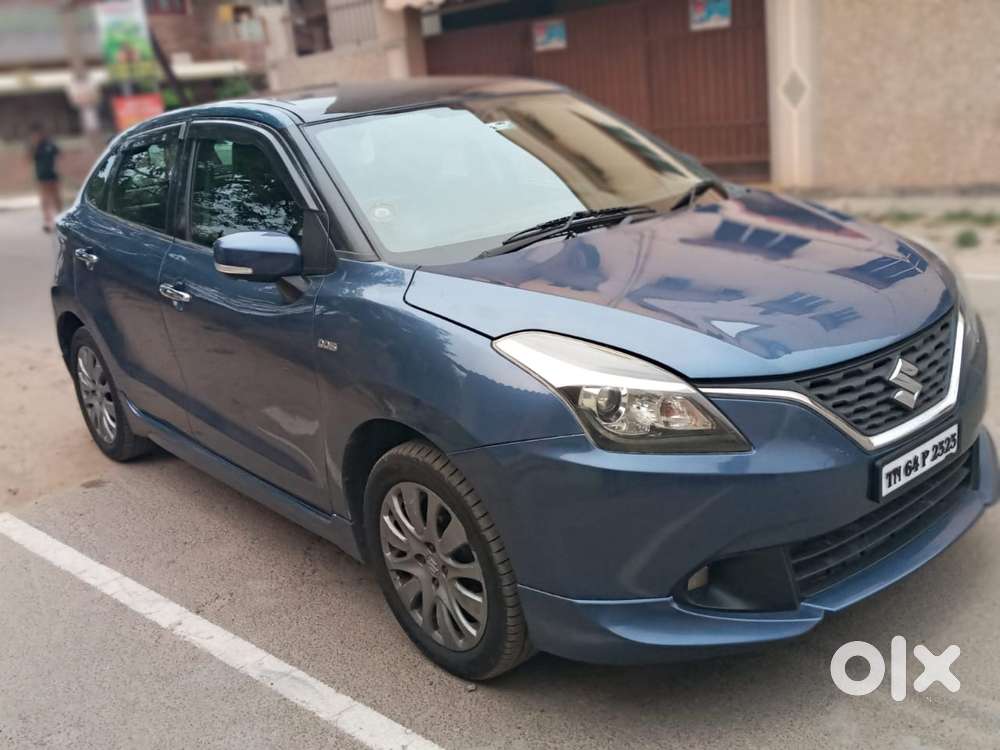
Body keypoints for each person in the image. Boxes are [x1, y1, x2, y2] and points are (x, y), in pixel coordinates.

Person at [28, 123, 62, 232]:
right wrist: (34, 146)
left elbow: (59, 154)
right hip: (41, 176)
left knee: (56, 197)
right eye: (35, 134)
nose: (37, 136)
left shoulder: (50, 144)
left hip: (52, 174)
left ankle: (59, 218)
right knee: (45, 198)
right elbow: (28, 159)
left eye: (39, 134)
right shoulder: (33, 146)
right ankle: (47, 221)